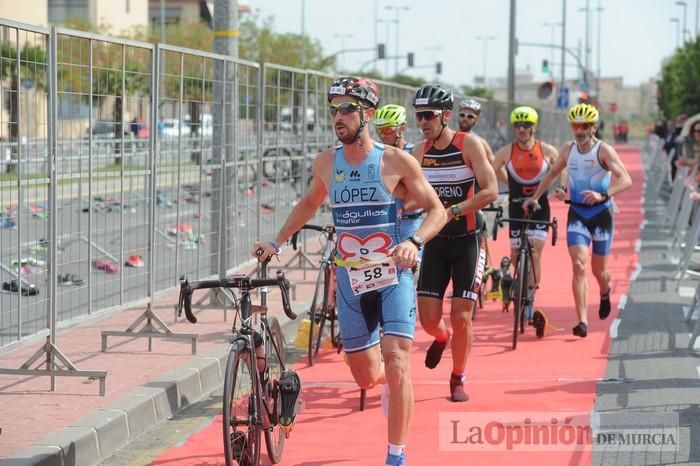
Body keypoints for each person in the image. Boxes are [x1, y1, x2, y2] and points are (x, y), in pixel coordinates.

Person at [253, 76, 446, 466]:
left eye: (346, 109)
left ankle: (396, 455)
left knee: (397, 360)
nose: (337, 117)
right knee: (366, 378)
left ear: (368, 114)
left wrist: (415, 242)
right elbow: (309, 203)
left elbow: (437, 209)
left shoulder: (395, 160)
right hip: (350, 279)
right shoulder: (326, 163)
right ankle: (385, 382)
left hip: (394, 274)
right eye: (334, 109)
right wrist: (276, 242)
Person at [411, 84, 498, 402]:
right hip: (436, 242)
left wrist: (454, 211)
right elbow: (404, 191)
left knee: (462, 314)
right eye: (419, 116)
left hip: (469, 241)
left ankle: (457, 376)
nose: (423, 122)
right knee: (429, 319)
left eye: (429, 116)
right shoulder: (419, 152)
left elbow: (491, 191)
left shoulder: (468, 144)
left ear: (446, 116)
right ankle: (441, 336)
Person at [523, 103, 632, 338]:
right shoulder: (567, 150)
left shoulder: (604, 151)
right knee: (579, 265)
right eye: (575, 126)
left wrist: (604, 195)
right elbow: (551, 174)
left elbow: (626, 180)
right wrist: (534, 197)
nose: (579, 131)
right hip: (578, 214)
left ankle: (604, 292)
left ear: (593, 127)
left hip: (601, 214)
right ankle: (582, 321)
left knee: (599, 271)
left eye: (584, 126)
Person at [491, 106, 563, 335]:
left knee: (533, 252)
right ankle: (517, 286)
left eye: (527, 125)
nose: (522, 130)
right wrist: (505, 187)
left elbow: (561, 167)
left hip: (539, 208)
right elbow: (492, 171)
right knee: (515, 255)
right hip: (515, 206)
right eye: (518, 126)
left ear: (534, 127)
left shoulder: (547, 150)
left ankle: (530, 298)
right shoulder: (505, 152)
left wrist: (560, 186)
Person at [373, 104, 424, 273]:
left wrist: (402, 200)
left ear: (402, 128)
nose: (382, 135)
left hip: (410, 224)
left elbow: (416, 194)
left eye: (387, 130)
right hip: (385, 224)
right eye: (378, 130)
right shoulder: (378, 153)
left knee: (410, 274)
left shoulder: (414, 152)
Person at [457, 98, 496, 165]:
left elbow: (496, 166)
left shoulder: (481, 143)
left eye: (470, 116)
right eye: (462, 115)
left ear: (477, 120)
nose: (465, 118)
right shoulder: (449, 137)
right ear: (458, 116)